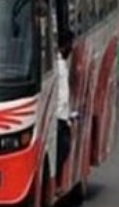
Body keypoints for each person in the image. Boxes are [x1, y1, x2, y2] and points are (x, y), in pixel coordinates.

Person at [54, 40, 76, 175]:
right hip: (59, 121)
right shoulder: (59, 66)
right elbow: (62, 97)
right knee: (62, 149)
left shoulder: (60, 64)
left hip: (62, 118)